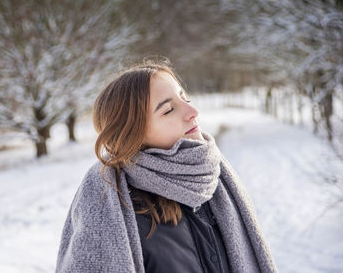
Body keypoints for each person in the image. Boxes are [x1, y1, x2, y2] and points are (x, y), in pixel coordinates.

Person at [55, 59, 278, 273]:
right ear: (133, 134)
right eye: (168, 110)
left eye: (185, 98)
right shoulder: (115, 211)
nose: (193, 113)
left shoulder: (212, 180)